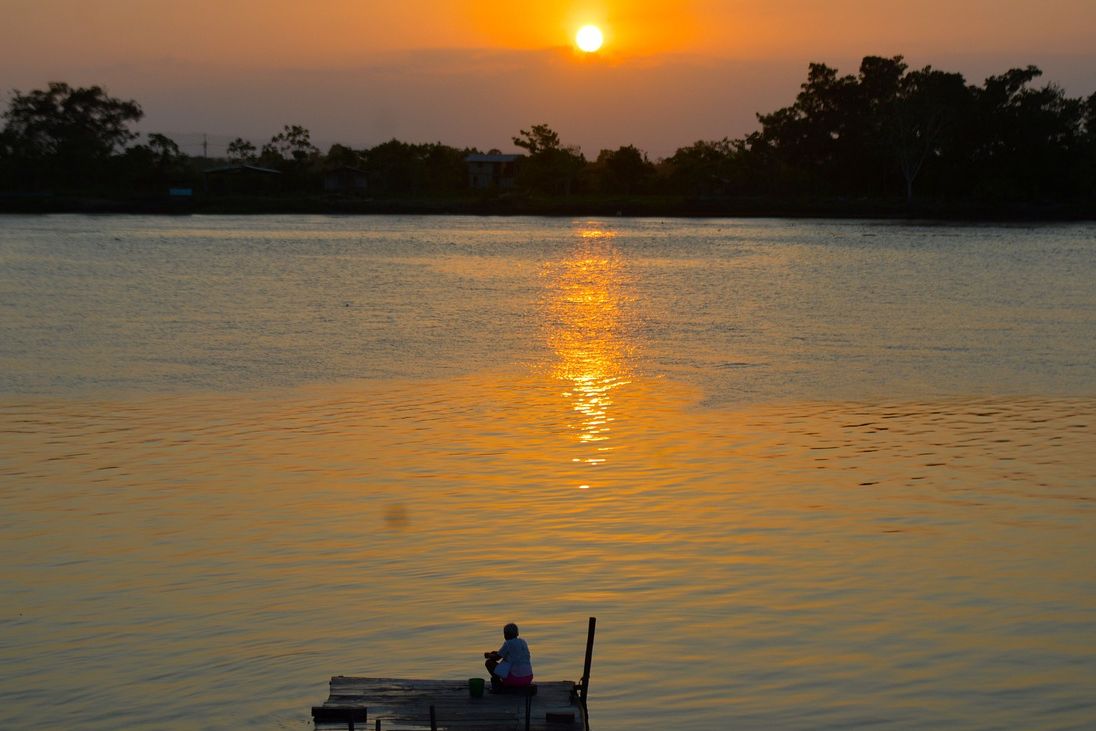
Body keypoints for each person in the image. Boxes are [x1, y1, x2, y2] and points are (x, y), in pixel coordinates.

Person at [483, 622, 534, 690]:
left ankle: (499, 686)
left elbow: (497, 658)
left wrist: (488, 655)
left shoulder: (508, 643)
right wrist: (496, 653)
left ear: (506, 635)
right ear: (517, 633)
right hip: (528, 678)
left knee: (489, 663)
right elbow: (510, 653)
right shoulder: (523, 642)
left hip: (515, 679)